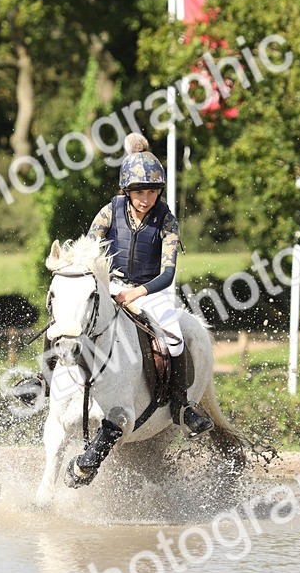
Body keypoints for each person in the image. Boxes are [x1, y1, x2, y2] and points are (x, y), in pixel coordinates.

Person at [13, 133, 212, 437]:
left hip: (150, 291)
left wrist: (137, 292)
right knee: (67, 320)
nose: (146, 198)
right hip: (112, 285)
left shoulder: (167, 222)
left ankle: (181, 406)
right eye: (139, 192)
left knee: (174, 337)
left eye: (153, 192)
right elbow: (89, 252)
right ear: (127, 191)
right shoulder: (108, 212)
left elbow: (168, 274)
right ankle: (44, 382)